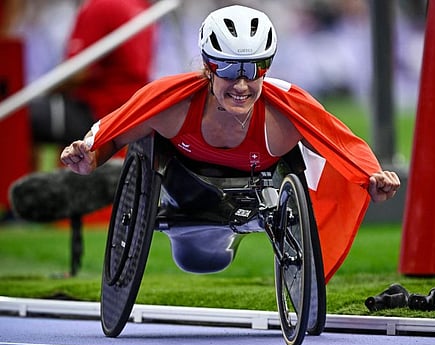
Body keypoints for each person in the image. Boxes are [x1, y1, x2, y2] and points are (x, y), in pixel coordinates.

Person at [61, 5, 400, 280]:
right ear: (209, 66)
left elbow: (339, 141)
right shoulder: (172, 107)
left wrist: (371, 176)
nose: (241, 83)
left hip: (255, 190)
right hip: (186, 191)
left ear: (266, 68)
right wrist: (90, 156)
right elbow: (114, 132)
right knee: (195, 256)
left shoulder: (285, 114)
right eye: (228, 68)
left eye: (252, 69)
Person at [30, 0, 155, 146]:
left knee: (20, 116)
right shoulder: (140, 5)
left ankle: (17, 168)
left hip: (99, 112)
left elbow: (77, 73)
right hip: (131, 109)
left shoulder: (101, 4)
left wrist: (42, 91)